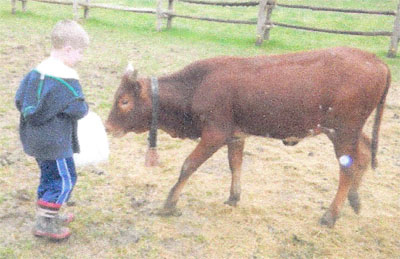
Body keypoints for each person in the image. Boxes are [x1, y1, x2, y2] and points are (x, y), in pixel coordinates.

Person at [15, 20, 90, 241]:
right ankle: (46, 223)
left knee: (49, 176)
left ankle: (48, 213)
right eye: (79, 52)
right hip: (55, 142)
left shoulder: (36, 72)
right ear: (67, 49)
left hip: (35, 139)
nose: (81, 58)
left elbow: (20, 99)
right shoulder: (67, 78)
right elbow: (78, 108)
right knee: (65, 179)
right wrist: (86, 109)